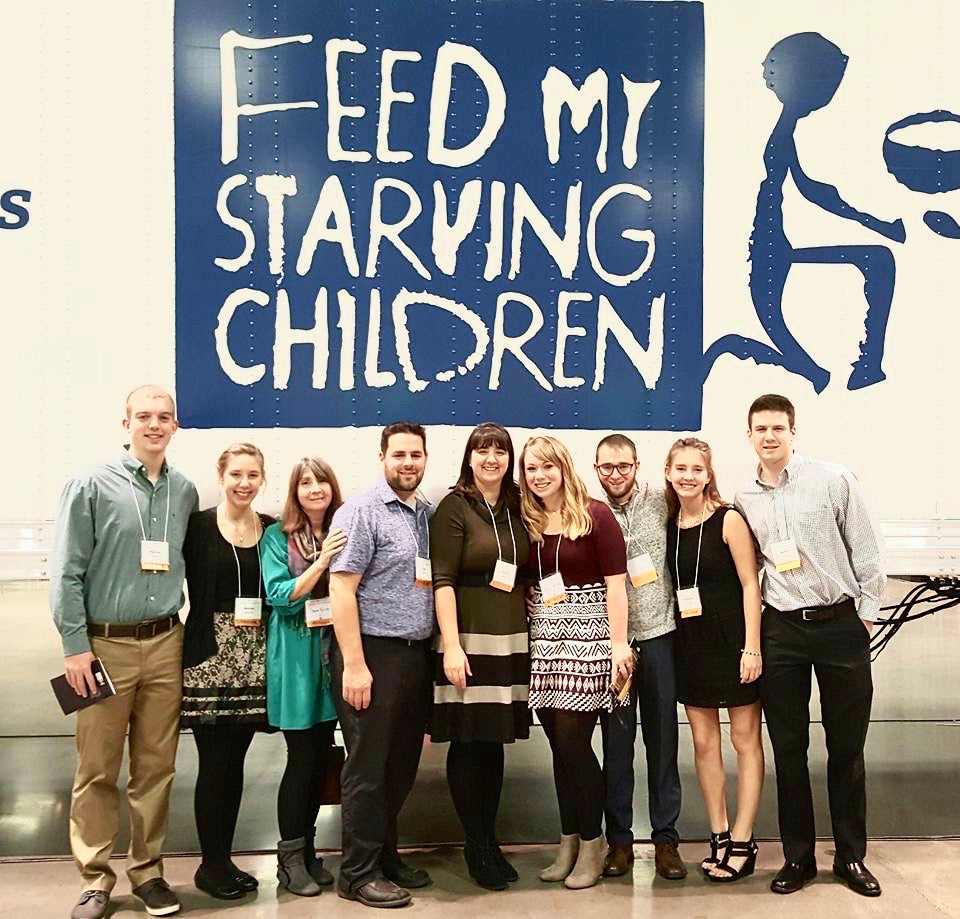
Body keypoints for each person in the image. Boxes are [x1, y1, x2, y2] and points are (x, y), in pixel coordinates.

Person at [50, 385, 199, 919]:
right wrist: (74, 648)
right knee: (96, 770)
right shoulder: (91, 484)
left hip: (165, 642)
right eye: (144, 416)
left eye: (164, 417)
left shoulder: (184, 490)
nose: (154, 425)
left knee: (156, 768)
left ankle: (149, 873)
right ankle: (94, 879)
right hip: (102, 646)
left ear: (175, 426)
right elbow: (65, 571)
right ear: (126, 423)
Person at [735, 394, 884, 897]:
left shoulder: (833, 480)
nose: (770, 436)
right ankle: (798, 858)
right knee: (789, 748)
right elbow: (751, 571)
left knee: (846, 748)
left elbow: (867, 552)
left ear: (793, 433)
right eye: (761, 429)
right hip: (783, 632)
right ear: (749, 435)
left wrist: (863, 620)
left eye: (778, 428)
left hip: (841, 626)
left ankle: (849, 857)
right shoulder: (744, 499)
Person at [329, 422, 436, 909]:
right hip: (371, 654)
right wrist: (354, 664)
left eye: (415, 455)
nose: (407, 463)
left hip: (414, 657)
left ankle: (385, 856)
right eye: (399, 455)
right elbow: (341, 588)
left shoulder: (426, 516)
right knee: (367, 768)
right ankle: (356, 873)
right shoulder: (361, 512)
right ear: (382, 457)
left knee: (400, 766)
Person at [520, 435, 633, 891]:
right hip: (544, 639)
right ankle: (567, 842)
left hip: (589, 639)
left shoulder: (595, 515)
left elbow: (618, 585)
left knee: (575, 746)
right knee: (558, 750)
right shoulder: (527, 519)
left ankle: (593, 842)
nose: (539, 475)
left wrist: (619, 646)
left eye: (547, 466)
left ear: (564, 467)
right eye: (530, 469)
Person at [429, 423, 532, 891]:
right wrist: (451, 644)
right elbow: (442, 580)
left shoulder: (515, 508)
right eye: (482, 450)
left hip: (508, 638)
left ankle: (489, 841)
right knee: (468, 743)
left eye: (500, 451)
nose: (491, 458)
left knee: (492, 743)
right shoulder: (455, 507)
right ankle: (474, 845)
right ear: (469, 458)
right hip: (468, 639)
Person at [664, 438, 764, 883]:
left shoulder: (729, 521)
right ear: (668, 473)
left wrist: (752, 647)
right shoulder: (669, 525)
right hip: (691, 647)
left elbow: (750, 585)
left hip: (734, 647)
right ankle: (719, 834)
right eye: (680, 468)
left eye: (696, 469)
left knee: (745, 740)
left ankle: (744, 839)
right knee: (705, 744)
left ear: (709, 475)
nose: (688, 476)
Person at [180, 443, 274, 900]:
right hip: (209, 660)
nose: (243, 482)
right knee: (214, 764)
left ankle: (223, 859)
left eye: (252, 475)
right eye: (236, 473)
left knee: (234, 764)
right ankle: (210, 865)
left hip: (254, 658)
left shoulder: (271, 530)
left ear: (262, 480)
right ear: (221, 475)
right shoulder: (196, 527)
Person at [593, 434, 685, 880]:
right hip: (616, 648)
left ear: (637, 465)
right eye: (606, 468)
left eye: (622, 467)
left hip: (661, 637)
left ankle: (667, 841)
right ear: (596, 470)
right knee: (616, 747)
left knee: (664, 743)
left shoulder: (663, 501)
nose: (614, 475)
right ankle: (620, 843)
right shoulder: (590, 513)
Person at [261, 457, 348, 897]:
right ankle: (289, 859)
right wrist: (321, 563)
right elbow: (280, 597)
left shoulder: (343, 529)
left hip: (333, 655)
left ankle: (310, 851)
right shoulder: (277, 537)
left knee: (320, 757)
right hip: (295, 658)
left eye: (322, 482)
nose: (315, 489)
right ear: (295, 491)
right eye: (306, 483)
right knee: (300, 759)